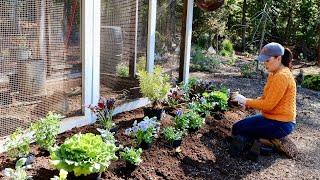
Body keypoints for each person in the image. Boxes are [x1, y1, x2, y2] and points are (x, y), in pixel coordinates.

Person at [230, 42, 297, 160]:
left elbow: (268, 105)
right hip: (271, 118)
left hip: (281, 124)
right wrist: (247, 104)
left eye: (267, 60)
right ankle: (265, 140)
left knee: (241, 133)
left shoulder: (282, 76)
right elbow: (266, 98)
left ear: (278, 58)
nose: (264, 63)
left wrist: (246, 101)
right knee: (237, 128)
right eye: (263, 60)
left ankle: (270, 143)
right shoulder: (274, 73)